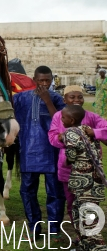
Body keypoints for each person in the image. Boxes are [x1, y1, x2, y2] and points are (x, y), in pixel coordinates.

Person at [13, 65, 66, 236]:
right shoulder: (21, 98)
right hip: (28, 150)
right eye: (41, 80)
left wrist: (48, 101)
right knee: (27, 192)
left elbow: (62, 123)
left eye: (47, 80)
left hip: (52, 151)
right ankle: (34, 226)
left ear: (51, 80)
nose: (44, 83)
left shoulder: (57, 98)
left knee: (55, 192)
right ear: (34, 80)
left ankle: (54, 228)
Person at [48, 85, 107, 220]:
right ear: (65, 100)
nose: (77, 100)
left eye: (80, 97)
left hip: (90, 170)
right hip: (67, 169)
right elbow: (52, 137)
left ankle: (91, 235)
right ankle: (80, 235)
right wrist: (64, 138)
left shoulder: (91, 116)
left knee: (90, 204)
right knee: (72, 204)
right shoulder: (59, 116)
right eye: (72, 97)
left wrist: (95, 132)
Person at [61, 104, 107, 250]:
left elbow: (72, 155)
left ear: (72, 120)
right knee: (79, 211)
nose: (61, 120)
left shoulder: (70, 133)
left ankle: (99, 247)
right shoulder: (88, 130)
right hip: (96, 179)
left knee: (88, 218)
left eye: (63, 117)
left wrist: (68, 159)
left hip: (83, 181)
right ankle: (84, 245)